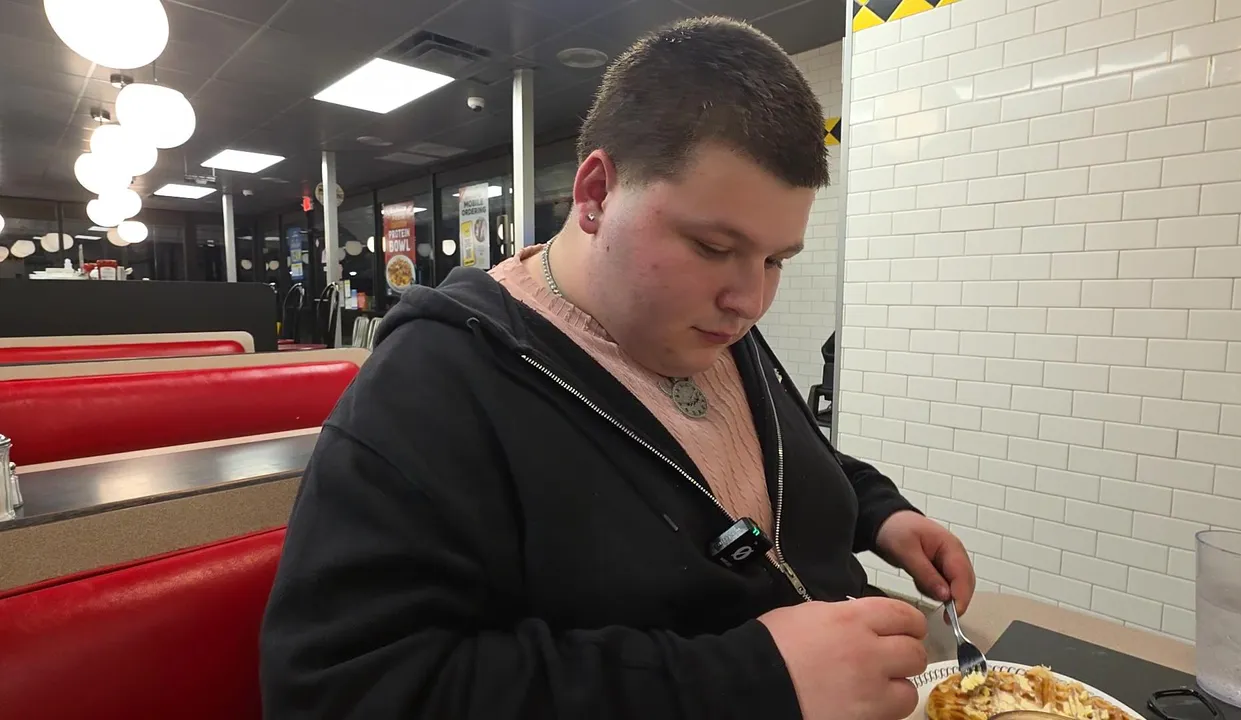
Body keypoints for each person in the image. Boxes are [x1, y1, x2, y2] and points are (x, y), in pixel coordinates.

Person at [260, 16, 975, 720]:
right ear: (597, 193)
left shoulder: (708, 326)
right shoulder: (434, 381)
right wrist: (752, 681)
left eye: (775, 260)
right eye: (713, 247)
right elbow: (347, 689)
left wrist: (881, 513)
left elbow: (763, 464)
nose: (750, 300)